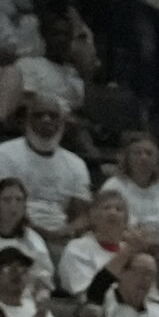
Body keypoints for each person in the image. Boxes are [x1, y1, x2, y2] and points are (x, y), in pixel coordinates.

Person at [0, 97, 91, 235]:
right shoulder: (4, 154)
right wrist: (38, 234)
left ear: (62, 122)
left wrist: (62, 233)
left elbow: (82, 215)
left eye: (53, 116)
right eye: (39, 115)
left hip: (62, 237)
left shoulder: (76, 164)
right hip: (16, 231)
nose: (46, 119)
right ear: (26, 120)